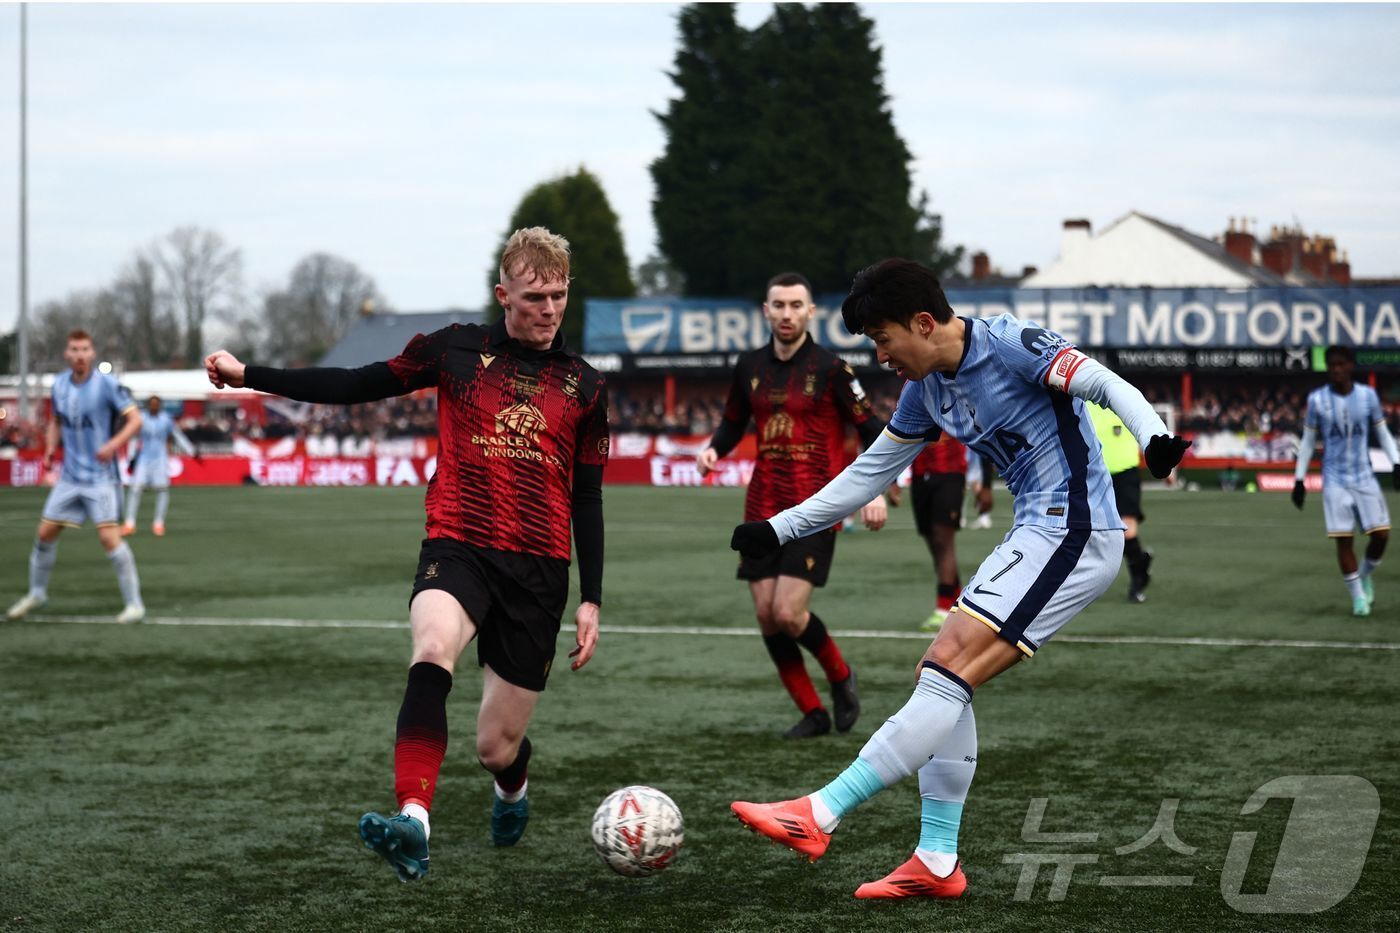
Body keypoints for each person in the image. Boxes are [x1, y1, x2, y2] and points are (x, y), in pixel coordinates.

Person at [727, 258, 1190, 900]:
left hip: (1076, 529)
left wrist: (1154, 437)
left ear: (923, 323)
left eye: (883, 338)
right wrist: (779, 529)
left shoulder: (1012, 344)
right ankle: (937, 860)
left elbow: (1104, 385)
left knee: (947, 668)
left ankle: (820, 812)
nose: (880, 355)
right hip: (1038, 529)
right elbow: (871, 472)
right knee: (942, 674)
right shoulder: (926, 389)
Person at [204, 227, 609, 882]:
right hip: (459, 540)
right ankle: (414, 820)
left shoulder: (585, 385)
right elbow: (354, 382)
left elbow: (586, 498)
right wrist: (250, 375)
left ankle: (512, 785)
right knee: (432, 647)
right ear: (504, 295)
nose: (550, 309)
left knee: (494, 746)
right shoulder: (455, 350)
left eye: (559, 296)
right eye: (535, 296)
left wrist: (591, 598)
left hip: (538, 567)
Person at [697, 272, 886, 740]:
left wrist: (875, 490)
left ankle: (841, 677)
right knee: (766, 615)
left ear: (810, 312)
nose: (787, 314)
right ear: (766, 311)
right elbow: (733, 422)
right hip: (762, 504)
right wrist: (714, 449)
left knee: (787, 613)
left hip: (816, 507)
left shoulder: (833, 369)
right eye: (778, 305)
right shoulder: (748, 366)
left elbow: (871, 430)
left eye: (795, 305)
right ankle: (812, 712)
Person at [7, 330, 147, 624]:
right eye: (74, 349)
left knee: (109, 538)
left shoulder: (107, 384)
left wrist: (112, 445)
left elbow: (135, 420)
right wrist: (49, 449)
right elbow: (56, 421)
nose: (80, 354)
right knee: (45, 533)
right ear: (67, 354)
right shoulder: (59, 385)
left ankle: (135, 604)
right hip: (70, 476)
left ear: (92, 353)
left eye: (84, 349)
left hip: (101, 478)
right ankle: (37, 593)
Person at [1291, 345, 1400, 617]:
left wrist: (1397, 462)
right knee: (1343, 539)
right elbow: (1308, 441)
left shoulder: (1367, 396)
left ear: (1351, 366)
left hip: (1364, 475)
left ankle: (1365, 573)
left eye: (1341, 364)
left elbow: (1382, 432)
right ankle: (1358, 599)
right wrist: (1299, 479)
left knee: (1381, 535)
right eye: (1332, 365)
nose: (1337, 369)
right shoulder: (1317, 400)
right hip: (1335, 479)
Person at [907, 435, 976, 632]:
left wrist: (985, 483)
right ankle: (959, 601)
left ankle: (944, 606)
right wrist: (893, 480)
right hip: (919, 474)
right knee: (931, 539)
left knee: (942, 540)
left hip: (949, 473)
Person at [1088, 401, 1154, 602]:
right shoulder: (1082, 403)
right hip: (1096, 474)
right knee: (1095, 533)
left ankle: (1137, 582)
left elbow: (1148, 429)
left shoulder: (1123, 399)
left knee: (1127, 529)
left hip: (1126, 473)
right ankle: (1140, 561)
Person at [122, 395, 198, 537]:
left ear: (160, 405)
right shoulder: (141, 418)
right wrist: (131, 456)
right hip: (143, 458)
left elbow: (177, 435)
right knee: (135, 489)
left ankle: (158, 523)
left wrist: (191, 450)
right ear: (148, 405)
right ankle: (129, 523)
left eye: (156, 404)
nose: (154, 406)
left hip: (160, 459)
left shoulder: (166, 419)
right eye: (151, 404)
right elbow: (135, 438)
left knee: (162, 490)